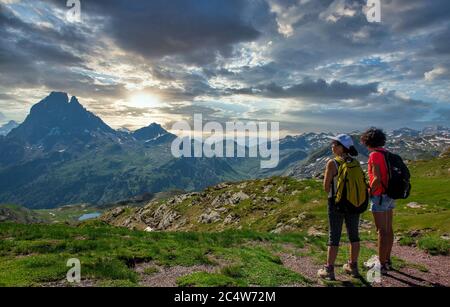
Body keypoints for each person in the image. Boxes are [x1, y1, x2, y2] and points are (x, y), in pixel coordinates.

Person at [317, 134, 361, 280]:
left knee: (334, 236)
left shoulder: (332, 163)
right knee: (353, 235)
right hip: (354, 203)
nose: (332, 146)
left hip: (336, 203)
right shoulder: (355, 162)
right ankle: (353, 267)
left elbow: (326, 187)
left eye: (335, 144)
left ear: (342, 147)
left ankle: (329, 270)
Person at [360, 127, 394, 274]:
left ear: (368, 141)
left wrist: (370, 191)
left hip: (379, 196)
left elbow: (377, 178)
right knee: (388, 229)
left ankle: (380, 265)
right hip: (390, 194)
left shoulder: (374, 155)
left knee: (381, 231)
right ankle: (387, 260)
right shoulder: (387, 153)